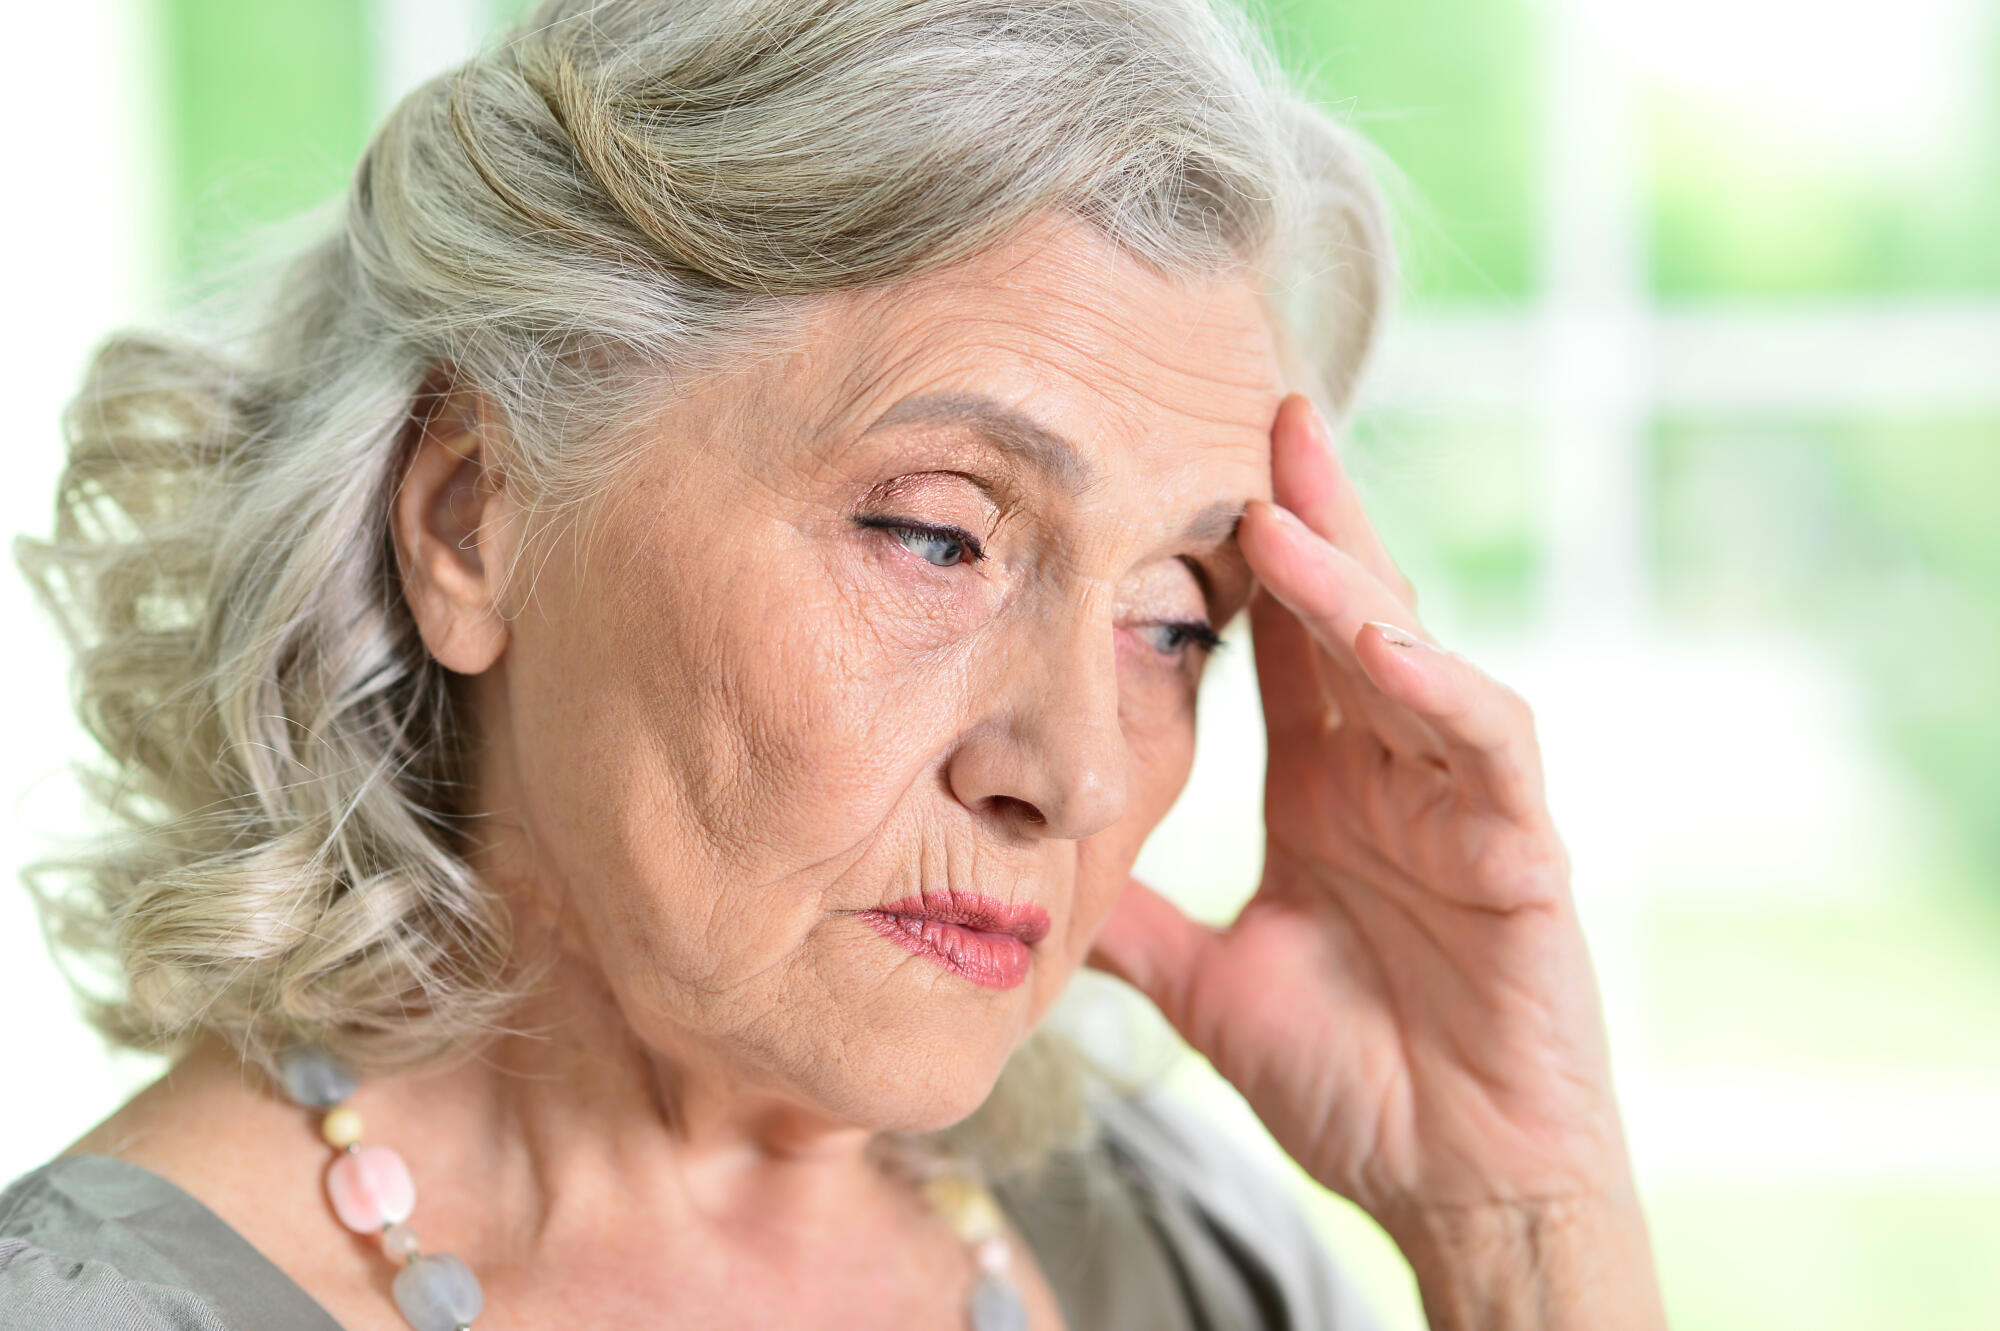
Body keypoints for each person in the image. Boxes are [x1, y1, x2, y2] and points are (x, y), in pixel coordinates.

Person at [0, 0, 1668, 1327]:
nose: (1076, 770)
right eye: (938, 537)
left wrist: (1522, 1232)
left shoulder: (1162, 1240)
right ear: (469, 516)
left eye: (1173, 618)